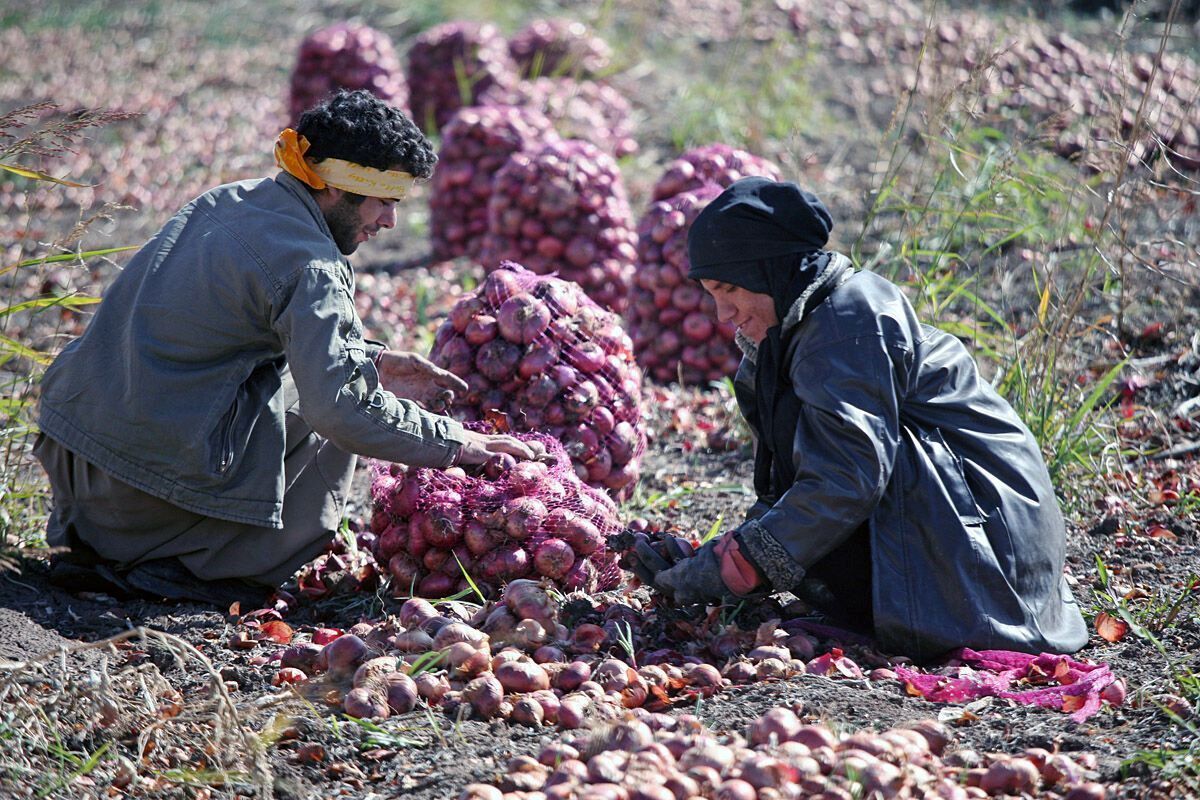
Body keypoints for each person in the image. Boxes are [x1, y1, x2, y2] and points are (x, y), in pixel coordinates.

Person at [34, 90, 538, 606]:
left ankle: (112, 546)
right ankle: (196, 569)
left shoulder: (228, 200)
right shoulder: (313, 263)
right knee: (336, 423)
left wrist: (375, 361)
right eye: (385, 201)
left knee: (319, 384)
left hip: (77, 464)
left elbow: (204, 327)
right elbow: (343, 409)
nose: (390, 221)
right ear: (337, 187)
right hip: (136, 492)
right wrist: (455, 443)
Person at [632, 177, 1088, 662]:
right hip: (955, 533)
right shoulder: (795, 329)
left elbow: (846, 478)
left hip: (990, 561)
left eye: (729, 288)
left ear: (768, 269)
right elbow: (803, 478)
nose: (723, 313)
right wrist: (725, 556)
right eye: (711, 293)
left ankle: (936, 619)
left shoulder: (845, 324)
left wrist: (735, 569)